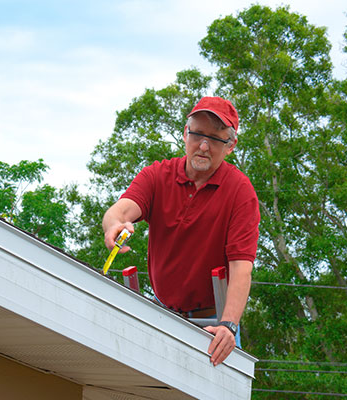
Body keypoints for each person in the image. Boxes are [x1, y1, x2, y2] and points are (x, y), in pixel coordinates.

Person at [102, 96, 260, 366]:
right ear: (185, 133)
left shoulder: (240, 192)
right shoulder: (157, 175)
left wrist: (228, 326)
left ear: (231, 145)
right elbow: (121, 211)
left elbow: (241, 267)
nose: (203, 146)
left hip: (213, 324)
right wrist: (114, 225)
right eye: (197, 134)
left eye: (215, 139)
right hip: (161, 312)